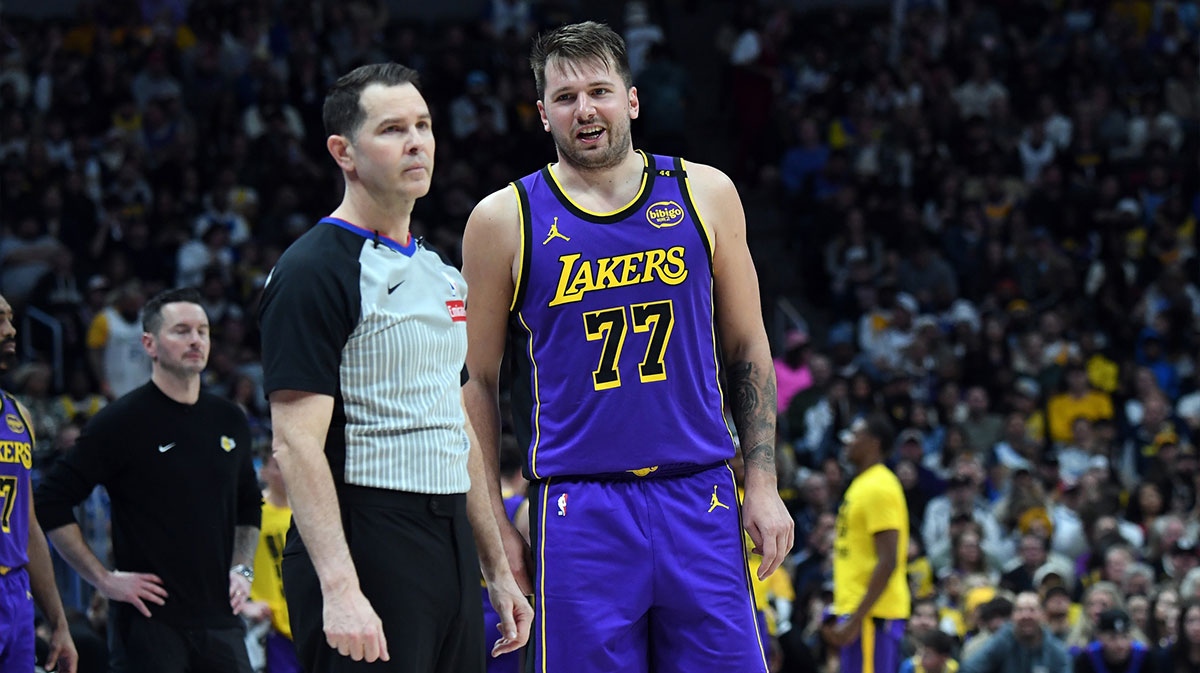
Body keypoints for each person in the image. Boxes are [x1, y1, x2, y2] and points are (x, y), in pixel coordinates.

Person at [461, 20, 794, 673]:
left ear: (632, 100)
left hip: (698, 493)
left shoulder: (706, 193)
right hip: (578, 508)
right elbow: (476, 379)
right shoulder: (504, 219)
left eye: (599, 91)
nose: (584, 110)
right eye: (564, 97)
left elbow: (750, 345)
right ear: (542, 114)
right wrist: (496, 525)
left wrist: (763, 479)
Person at [257, 62, 531, 672]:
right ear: (343, 152)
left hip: (449, 541)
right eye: (392, 129)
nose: (416, 142)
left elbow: (457, 429)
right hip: (366, 533)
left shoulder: (440, 273)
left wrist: (495, 569)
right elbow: (296, 445)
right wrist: (339, 588)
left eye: (424, 125)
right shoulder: (312, 271)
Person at [35, 287, 261, 673]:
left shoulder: (230, 419)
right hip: (148, 625)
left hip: (221, 620)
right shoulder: (121, 421)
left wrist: (242, 569)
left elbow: (248, 504)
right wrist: (103, 580)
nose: (196, 340)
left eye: (203, 331)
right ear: (149, 343)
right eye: (182, 330)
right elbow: (51, 500)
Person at [0, 293, 77, 673]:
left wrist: (58, 622)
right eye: (0, 320)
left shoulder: (18, 415)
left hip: (15, 594)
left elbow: (28, 525)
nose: (10, 329)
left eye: (11, 319)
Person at [821, 413, 910, 673]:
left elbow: (888, 559)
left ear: (874, 443)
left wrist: (856, 618)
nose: (847, 441)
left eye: (855, 435)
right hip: (861, 612)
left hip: (872, 616)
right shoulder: (862, 484)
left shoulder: (879, 486)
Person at [240, 447, 301, 673]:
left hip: (311, 622)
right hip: (270, 627)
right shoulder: (254, 513)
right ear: (263, 472)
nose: (286, 473)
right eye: (278, 466)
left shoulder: (309, 513)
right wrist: (244, 605)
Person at [961, 592, 1072, 673]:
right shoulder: (1002, 641)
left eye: (1032, 610)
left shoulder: (1055, 649)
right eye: (1020, 610)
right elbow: (969, 669)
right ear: (1012, 617)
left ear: (1043, 615)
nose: (1026, 616)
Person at [1074, 608, 1157, 673]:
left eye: (1125, 636)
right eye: (1112, 637)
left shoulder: (1145, 657)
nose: (1120, 644)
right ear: (1099, 637)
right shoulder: (1087, 659)